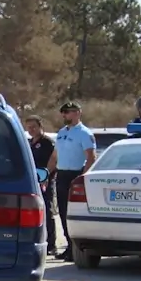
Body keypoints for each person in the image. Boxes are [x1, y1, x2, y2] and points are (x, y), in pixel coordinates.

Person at [52, 101, 96, 261]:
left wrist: (81, 178)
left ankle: (76, 249)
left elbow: (91, 157)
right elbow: (55, 156)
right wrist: (45, 173)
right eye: (63, 112)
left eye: (68, 112)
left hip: (75, 175)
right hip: (62, 175)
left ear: (77, 113)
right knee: (63, 212)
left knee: (73, 213)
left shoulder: (84, 133)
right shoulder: (62, 132)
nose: (65, 115)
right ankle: (69, 247)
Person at [24, 115, 58, 256]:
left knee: (48, 211)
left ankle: (51, 244)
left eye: (34, 127)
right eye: (29, 127)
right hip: (32, 182)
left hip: (45, 181)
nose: (31, 130)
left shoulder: (47, 143)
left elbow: (53, 161)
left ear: (40, 127)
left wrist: (47, 176)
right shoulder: (29, 142)